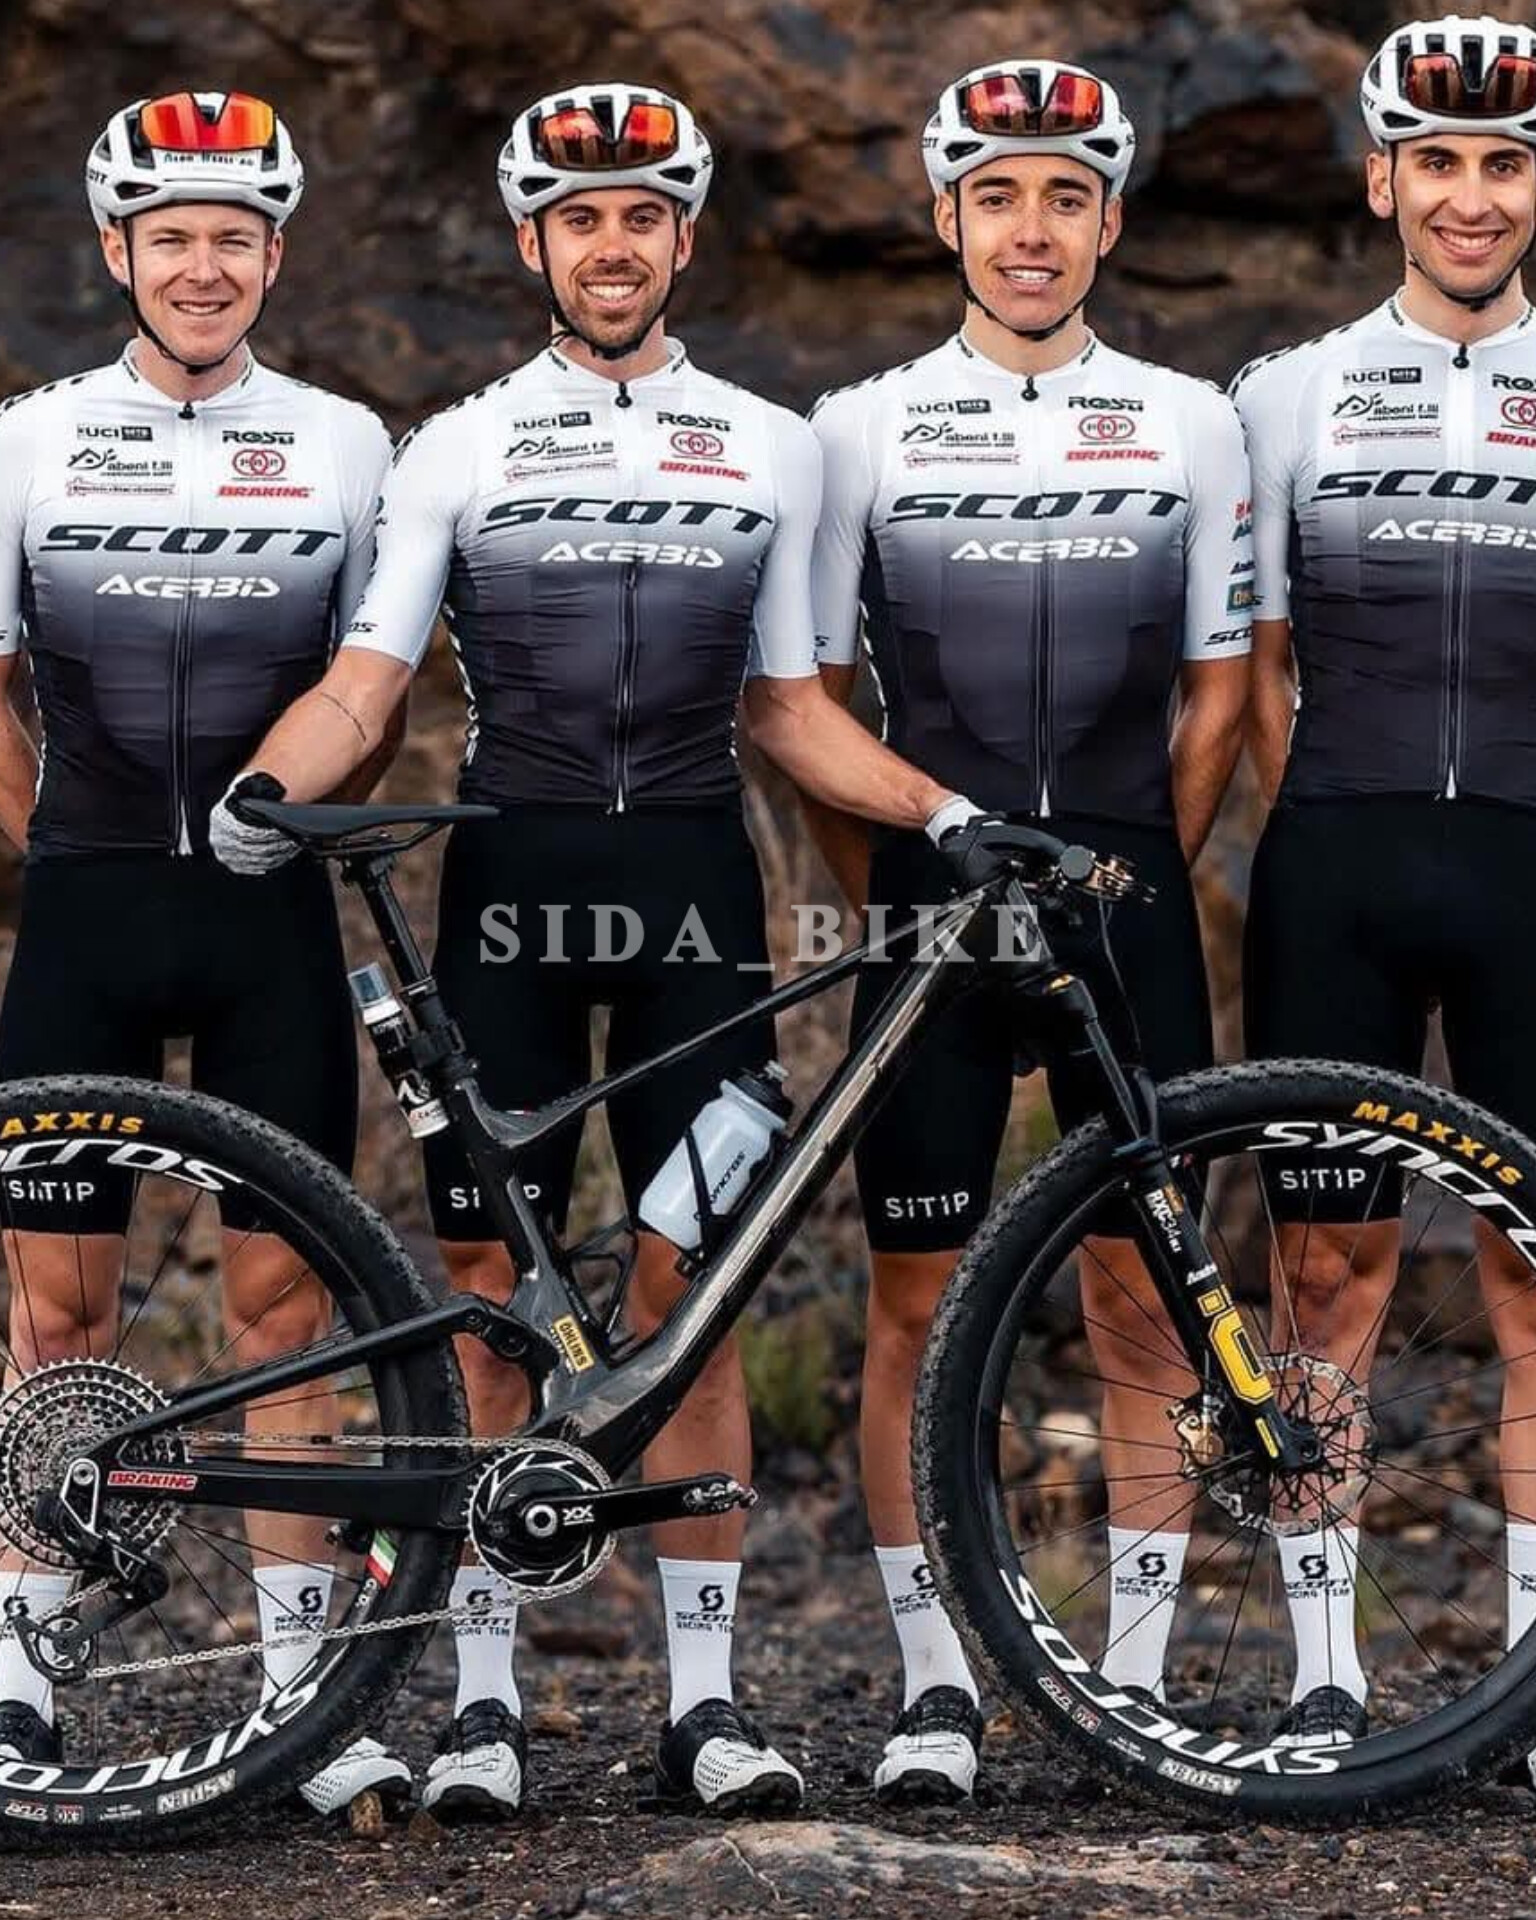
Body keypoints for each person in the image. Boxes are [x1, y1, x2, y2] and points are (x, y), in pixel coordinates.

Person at [210, 80, 982, 1819]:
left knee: (688, 1299)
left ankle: (706, 1709)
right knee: (491, 1296)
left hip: (697, 902)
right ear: (532, 241)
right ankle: (481, 1706)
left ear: (683, 238)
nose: (611, 244)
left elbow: (792, 708)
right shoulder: (457, 444)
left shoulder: (771, 445)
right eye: (580, 219)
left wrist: (940, 813)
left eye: (641, 216)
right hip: (509, 906)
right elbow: (368, 685)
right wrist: (269, 786)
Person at [806, 58, 1252, 1800]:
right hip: (933, 906)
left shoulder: (1192, 418)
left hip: (1120, 898)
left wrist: (1126, 865)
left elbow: (1220, 698)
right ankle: (937, 1687)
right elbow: (810, 708)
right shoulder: (862, 425)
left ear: (1110, 222)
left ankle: (1128, 1686)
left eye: (1066, 196)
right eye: (998, 196)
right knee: (913, 1308)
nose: (1032, 228)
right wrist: (896, 879)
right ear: (947, 218)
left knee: (1143, 1296)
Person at [0, 92, 402, 1814]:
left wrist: (278, 807)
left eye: (234, 236)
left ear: (274, 257)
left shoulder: (344, 443)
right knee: (55, 1310)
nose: (203, 265)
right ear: (119, 252)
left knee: (283, 1307)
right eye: (171, 236)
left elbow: (374, 696)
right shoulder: (28, 439)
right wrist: (46, 838)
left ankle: (303, 1701)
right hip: (86, 909)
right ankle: (19, 1678)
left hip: (265, 915)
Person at [1232, 12, 1536, 1751]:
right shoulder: (1286, 394)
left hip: (1529, 864)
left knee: (1532, 1277)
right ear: (1381, 183)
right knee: (1324, 1270)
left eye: (1504, 164)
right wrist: (1316, 819)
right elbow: (1253, 665)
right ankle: (1324, 1667)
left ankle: (1530, 1673)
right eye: (1440, 163)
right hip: (1339, 857)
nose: (1472, 196)